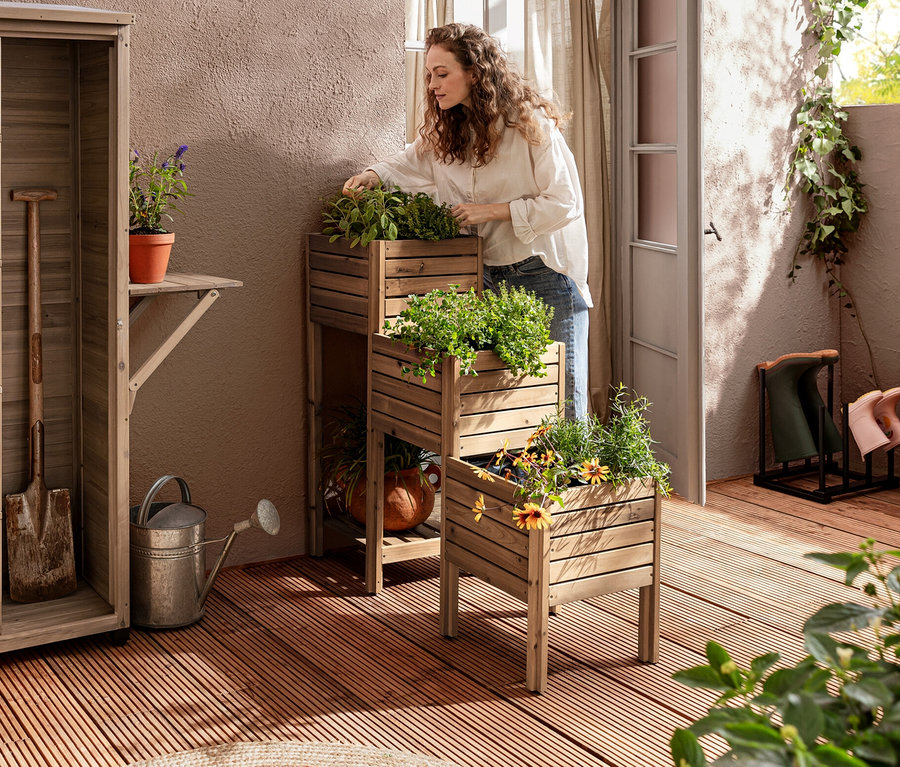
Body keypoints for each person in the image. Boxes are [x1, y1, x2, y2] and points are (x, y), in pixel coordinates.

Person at [344, 23, 591, 420]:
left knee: (563, 405)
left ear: (475, 73)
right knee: (511, 408)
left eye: (442, 74)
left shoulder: (527, 124)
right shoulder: (452, 131)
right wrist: (371, 176)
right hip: (489, 277)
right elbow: (408, 161)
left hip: (544, 274)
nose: (433, 85)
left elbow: (565, 203)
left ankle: (582, 484)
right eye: (429, 75)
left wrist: (491, 210)